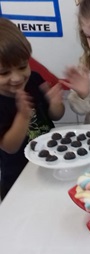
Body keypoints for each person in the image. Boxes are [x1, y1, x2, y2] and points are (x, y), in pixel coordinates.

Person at [0, 18, 64, 200]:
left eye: (22, 66)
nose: (17, 77)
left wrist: (55, 103)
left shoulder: (34, 79)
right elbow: (9, 147)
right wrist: (22, 116)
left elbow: (56, 116)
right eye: (4, 73)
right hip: (18, 176)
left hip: (52, 161)